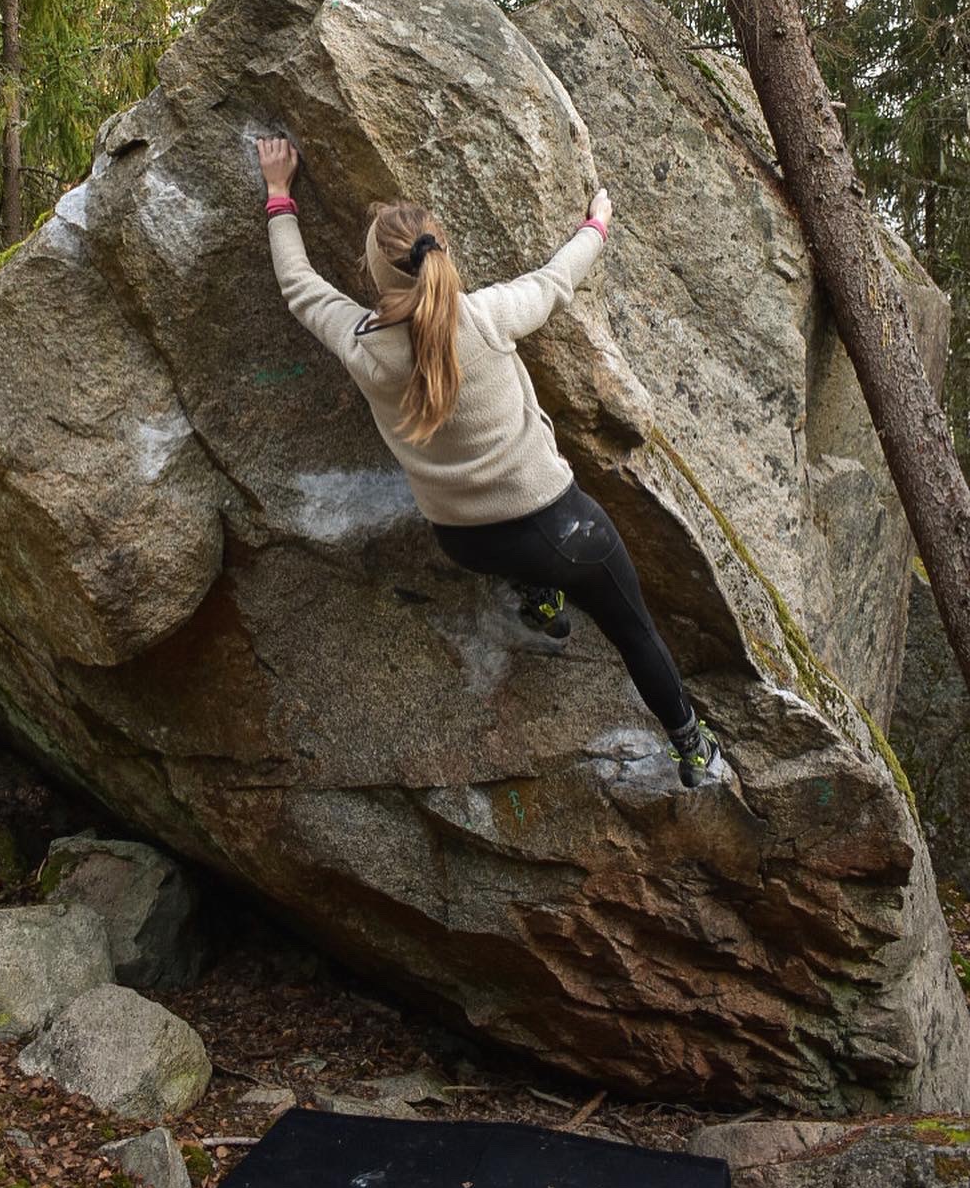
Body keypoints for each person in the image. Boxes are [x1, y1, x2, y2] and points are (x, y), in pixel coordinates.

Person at [256, 134, 724, 787]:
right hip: (566, 531)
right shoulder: (486, 316)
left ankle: (539, 605)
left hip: (467, 541)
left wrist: (280, 192)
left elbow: (299, 286)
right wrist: (597, 224)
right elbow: (557, 280)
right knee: (633, 630)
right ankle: (693, 751)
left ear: (374, 277)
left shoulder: (361, 346)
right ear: (441, 256)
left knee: (522, 559)